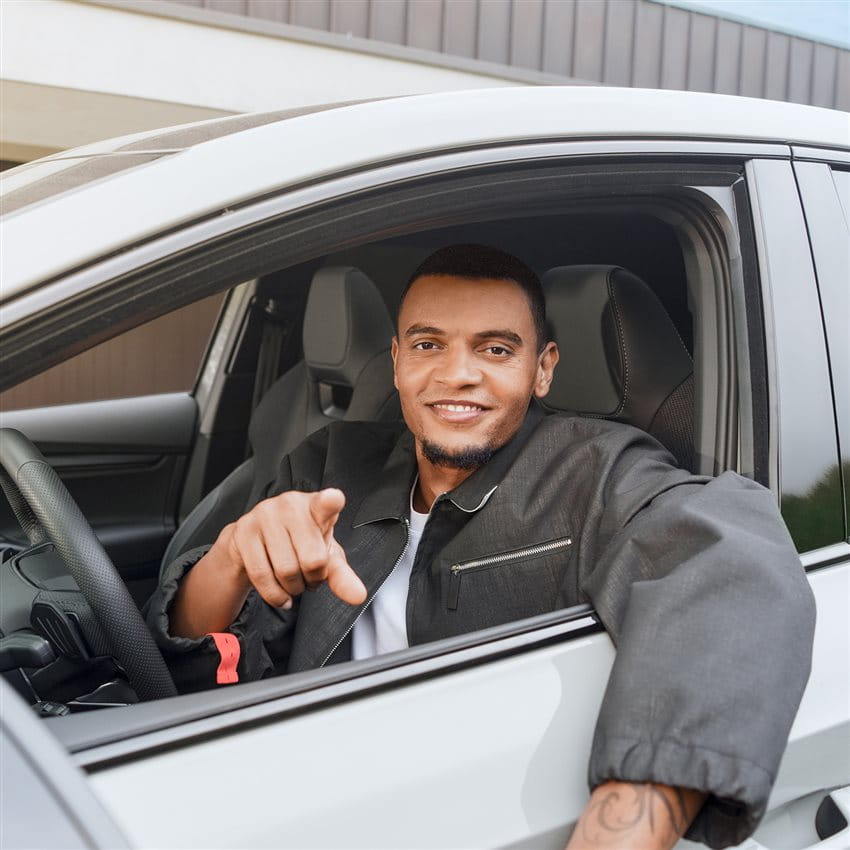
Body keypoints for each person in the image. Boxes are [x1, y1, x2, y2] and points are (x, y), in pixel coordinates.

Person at [147, 245, 815, 850]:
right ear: (397, 361)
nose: (458, 374)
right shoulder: (330, 465)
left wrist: (626, 822)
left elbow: (731, 558)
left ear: (543, 369)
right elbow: (202, 665)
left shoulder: (596, 473)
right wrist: (231, 557)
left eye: (495, 350)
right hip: (303, 796)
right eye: (429, 345)